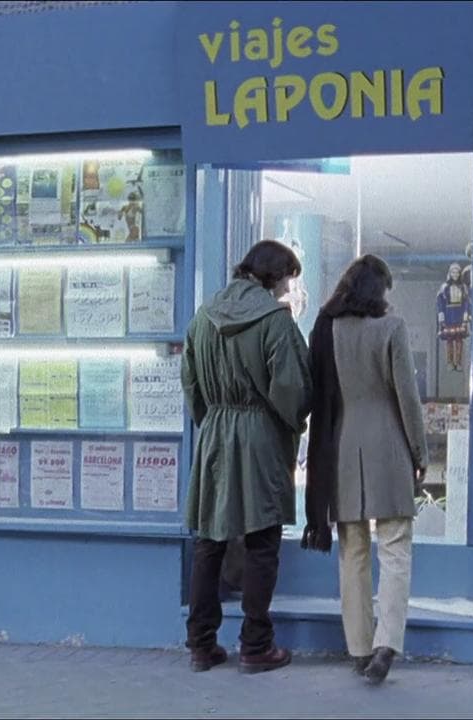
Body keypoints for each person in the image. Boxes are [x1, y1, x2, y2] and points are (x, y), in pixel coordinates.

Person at [182, 240, 312, 675]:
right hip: (260, 436)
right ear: (275, 276)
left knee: (209, 540)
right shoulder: (276, 322)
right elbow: (292, 390)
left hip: (216, 433)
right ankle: (255, 645)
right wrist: (289, 423)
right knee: (261, 543)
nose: (286, 291)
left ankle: (201, 644)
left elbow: (191, 386)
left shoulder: (203, 317)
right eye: (287, 280)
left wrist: (214, 420)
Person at [301, 255, 428, 686]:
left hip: (342, 448)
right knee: (394, 549)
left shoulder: (327, 329)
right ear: (379, 292)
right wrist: (420, 452)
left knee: (352, 552)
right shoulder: (391, 329)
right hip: (389, 447)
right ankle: (386, 643)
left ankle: (358, 648)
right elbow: (407, 399)